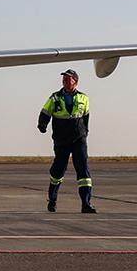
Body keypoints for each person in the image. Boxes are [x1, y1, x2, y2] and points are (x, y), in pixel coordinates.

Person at [37, 69, 96, 213]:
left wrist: (85, 133)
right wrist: (42, 124)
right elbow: (45, 112)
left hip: (78, 139)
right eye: (64, 79)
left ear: (75, 81)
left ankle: (86, 203)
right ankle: (52, 200)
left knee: (83, 171)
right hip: (62, 140)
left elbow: (86, 117)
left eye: (68, 79)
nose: (65, 81)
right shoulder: (55, 97)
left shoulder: (84, 98)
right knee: (58, 171)